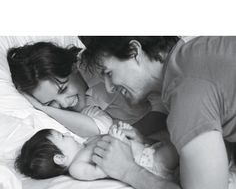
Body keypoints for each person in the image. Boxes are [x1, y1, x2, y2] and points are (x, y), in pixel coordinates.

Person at [80, 36, 236, 189]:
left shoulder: (185, 94)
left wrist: (128, 170)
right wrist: (148, 143)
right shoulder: (201, 50)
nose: (109, 87)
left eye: (109, 73)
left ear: (134, 51)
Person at [7, 42, 166, 138]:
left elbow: (160, 101)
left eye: (63, 89)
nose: (63, 103)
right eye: (51, 102)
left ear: (73, 67)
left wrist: (125, 136)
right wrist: (44, 108)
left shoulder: (99, 64)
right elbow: (95, 128)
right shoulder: (73, 112)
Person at [15, 122, 178, 181]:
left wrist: (119, 132)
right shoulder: (77, 168)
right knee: (179, 144)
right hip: (148, 162)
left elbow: (105, 137)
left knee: (172, 136)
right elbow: (104, 170)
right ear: (60, 158)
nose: (67, 134)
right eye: (62, 137)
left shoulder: (86, 144)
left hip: (146, 149)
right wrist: (117, 141)